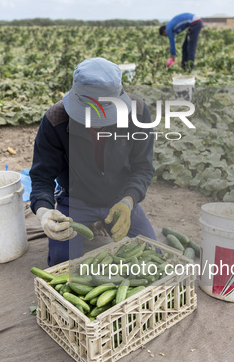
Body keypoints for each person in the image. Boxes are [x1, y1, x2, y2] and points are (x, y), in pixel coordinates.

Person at [30, 57, 157, 267]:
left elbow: (143, 168)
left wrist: (128, 201)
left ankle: (112, 216)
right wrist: (43, 213)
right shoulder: (55, 120)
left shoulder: (139, 114)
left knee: (154, 255)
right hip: (76, 201)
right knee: (62, 266)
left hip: (120, 199)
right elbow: (41, 177)